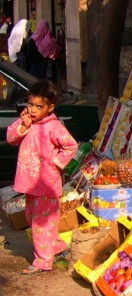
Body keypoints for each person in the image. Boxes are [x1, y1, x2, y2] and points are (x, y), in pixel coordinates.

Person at [7, 79, 78, 275]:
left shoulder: (54, 127)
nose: (33, 109)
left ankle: (43, 261)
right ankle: (55, 246)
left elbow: (71, 146)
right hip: (30, 184)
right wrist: (23, 125)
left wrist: (55, 164)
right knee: (33, 219)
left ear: (50, 107)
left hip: (46, 185)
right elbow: (11, 138)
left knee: (41, 223)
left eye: (39, 106)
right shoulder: (27, 121)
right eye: (31, 104)